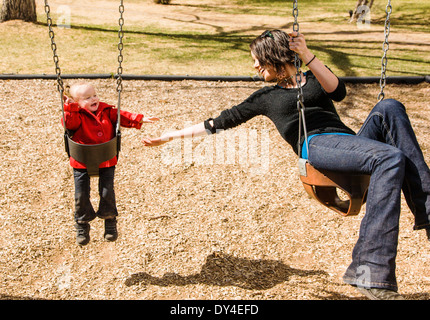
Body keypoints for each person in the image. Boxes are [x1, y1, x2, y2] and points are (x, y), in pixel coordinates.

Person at [142, 29, 430, 300]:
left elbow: (338, 92)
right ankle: (369, 273)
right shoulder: (266, 97)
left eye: (257, 60)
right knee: (390, 157)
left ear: (273, 57)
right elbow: (217, 122)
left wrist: (306, 53)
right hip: (317, 145)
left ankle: (428, 213)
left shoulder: (314, 77)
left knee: (389, 107)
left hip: (351, 143)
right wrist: (170, 136)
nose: (255, 67)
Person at [63, 82, 159, 246]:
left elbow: (122, 115)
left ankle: (109, 220)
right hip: (82, 162)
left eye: (94, 95)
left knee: (107, 192)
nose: (94, 99)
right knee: (80, 196)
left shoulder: (107, 111)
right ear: (75, 102)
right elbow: (69, 124)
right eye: (87, 98)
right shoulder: (75, 115)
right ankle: (82, 223)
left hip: (106, 160)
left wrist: (140, 118)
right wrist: (70, 108)